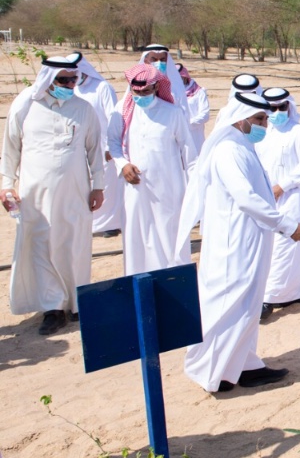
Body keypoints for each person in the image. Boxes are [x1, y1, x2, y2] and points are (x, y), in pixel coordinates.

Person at [177, 75, 300, 393]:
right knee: (229, 306)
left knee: (247, 304)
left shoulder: (242, 146)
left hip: (248, 241)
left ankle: (244, 364)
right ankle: (216, 373)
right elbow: (247, 199)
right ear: (241, 119)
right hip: (233, 245)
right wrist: (287, 225)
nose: (265, 125)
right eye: (260, 119)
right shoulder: (228, 151)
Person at [1, 56, 105, 334]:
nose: (70, 85)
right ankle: (53, 308)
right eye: (64, 80)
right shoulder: (25, 104)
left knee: (74, 244)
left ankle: (76, 303)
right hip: (35, 196)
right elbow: (10, 148)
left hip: (75, 193)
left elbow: (95, 150)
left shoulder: (83, 109)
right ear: (48, 79)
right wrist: (7, 184)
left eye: (74, 79)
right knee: (42, 246)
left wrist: (99, 186)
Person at [108, 64, 195, 276]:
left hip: (168, 188)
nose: (140, 96)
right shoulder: (121, 110)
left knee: (168, 235)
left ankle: (172, 281)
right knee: (136, 236)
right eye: (136, 91)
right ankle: (139, 282)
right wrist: (123, 164)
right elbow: (113, 143)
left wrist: (194, 187)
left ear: (156, 87)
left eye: (145, 91)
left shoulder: (173, 113)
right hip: (135, 189)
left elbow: (188, 151)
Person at [256, 87, 300, 320]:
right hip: (264, 196)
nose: (278, 111)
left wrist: (282, 186)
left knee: (286, 244)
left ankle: (270, 297)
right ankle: (293, 292)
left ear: (289, 106)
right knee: (269, 245)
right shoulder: (260, 133)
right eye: (272, 108)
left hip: (292, 197)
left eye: (282, 107)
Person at [71, 52, 124, 238]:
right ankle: (90, 222)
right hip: (80, 144)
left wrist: (111, 145)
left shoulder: (103, 87)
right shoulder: (73, 89)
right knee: (84, 183)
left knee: (106, 183)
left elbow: (113, 116)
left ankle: (111, 224)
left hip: (102, 144)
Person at [135, 44, 189, 120]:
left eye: (162, 59)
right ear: (145, 60)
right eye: (154, 59)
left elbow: (184, 112)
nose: (159, 62)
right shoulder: (137, 82)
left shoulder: (175, 84)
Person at [178, 63, 211, 151]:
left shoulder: (199, 92)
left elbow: (205, 115)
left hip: (195, 136)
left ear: (185, 77)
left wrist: (188, 123)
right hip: (177, 136)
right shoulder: (172, 93)